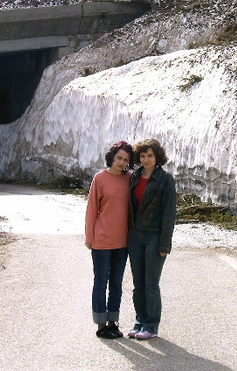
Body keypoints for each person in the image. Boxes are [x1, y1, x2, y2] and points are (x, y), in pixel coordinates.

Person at [127, 138, 177, 340]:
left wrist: (165, 244)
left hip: (154, 236)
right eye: (142, 155)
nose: (146, 159)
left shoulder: (165, 180)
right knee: (138, 283)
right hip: (134, 235)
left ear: (157, 157)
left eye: (150, 155)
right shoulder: (134, 177)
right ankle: (140, 321)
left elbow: (169, 214)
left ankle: (151, 326)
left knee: (151, 283)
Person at [85, 140, 134, 339]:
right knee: (100, 282)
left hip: (122, 241)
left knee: (116, 283)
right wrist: (89, 237)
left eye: (125, 160)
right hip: (102, 240)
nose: (121, 162)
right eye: (119, 158)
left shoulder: (130, 178)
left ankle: (113, 322)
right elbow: (91, 210)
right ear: (112, 157)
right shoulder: (100, 178)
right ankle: (101, 324)